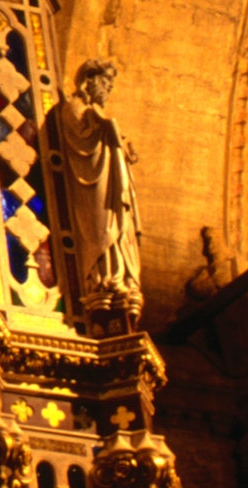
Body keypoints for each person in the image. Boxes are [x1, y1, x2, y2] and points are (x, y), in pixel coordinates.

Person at [57, 59, 142, 318]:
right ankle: (102, 277)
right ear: (89, 80)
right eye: (105, 82)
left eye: (111, 84)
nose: (108, 89)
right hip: (95, 185)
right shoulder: (74, 108)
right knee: (102, 226)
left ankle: (121, 277)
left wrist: (125, 155)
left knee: (119, 226)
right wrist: (102, 129)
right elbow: (81, 143)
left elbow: (108, 141)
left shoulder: (94, 113)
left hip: (111, 185)